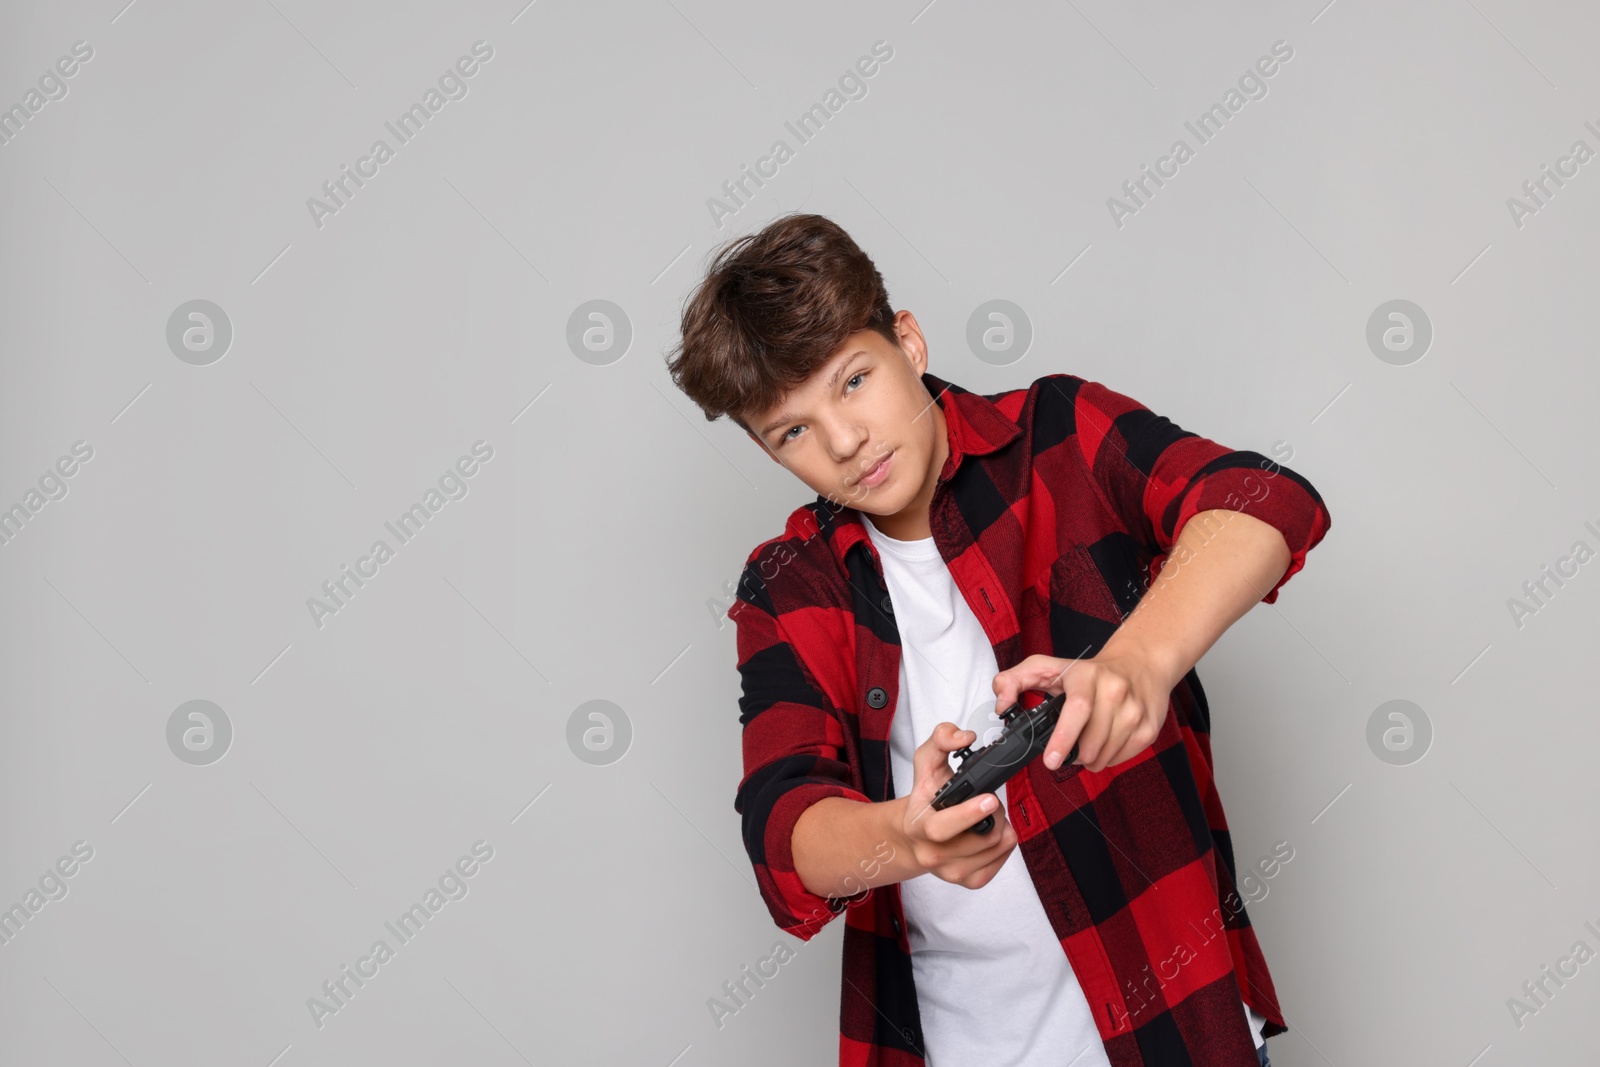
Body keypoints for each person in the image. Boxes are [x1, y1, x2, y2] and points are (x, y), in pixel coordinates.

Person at [666, 213, 1330, 1067]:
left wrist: (1136, 661)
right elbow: (783, 829)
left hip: (1180, 1032)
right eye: (791, 431)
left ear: (908, 339)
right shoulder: (791, 584)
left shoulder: (1059, 434)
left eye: (853, 380)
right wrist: (906, 836)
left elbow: (1261, 500)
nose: (843, 441)